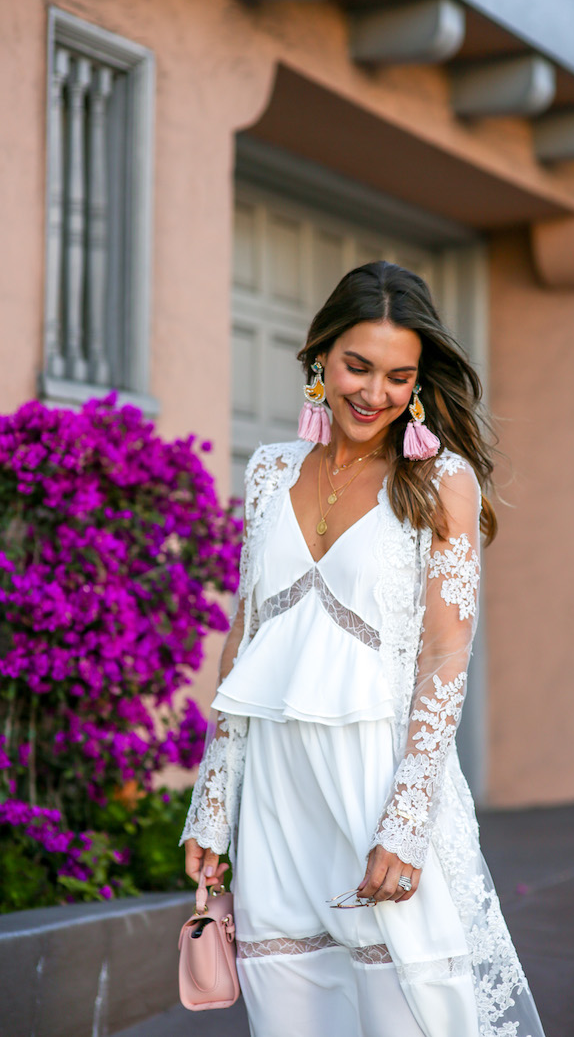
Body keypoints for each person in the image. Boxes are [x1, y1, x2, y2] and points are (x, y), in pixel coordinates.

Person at [180, 261, 546, 1037]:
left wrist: (406, 823)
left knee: (409, 1007)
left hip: (375, 780)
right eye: (357, 366)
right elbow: (245, 637)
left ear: (418, 382)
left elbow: (446, 659)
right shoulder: (272, 469)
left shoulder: (440, 482)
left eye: (398, 376)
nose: (374, 393)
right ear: (320, 356)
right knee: (294, 1009)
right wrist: (213, 807)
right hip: (278, 789)